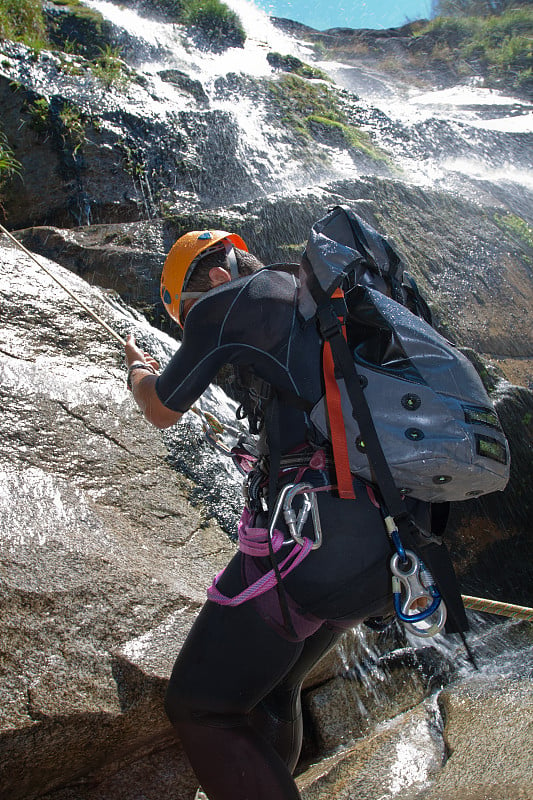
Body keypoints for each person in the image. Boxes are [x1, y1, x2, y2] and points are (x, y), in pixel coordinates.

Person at [124, 228, 435, 800]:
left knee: (201, 706)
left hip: (318, 554)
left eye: (188, 313)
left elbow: (161, 409)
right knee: (271, 687)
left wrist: (139, 371)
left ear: (216, 278)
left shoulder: (234, 301)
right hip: (390, 546)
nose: (195, 324)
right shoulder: (312, 309)